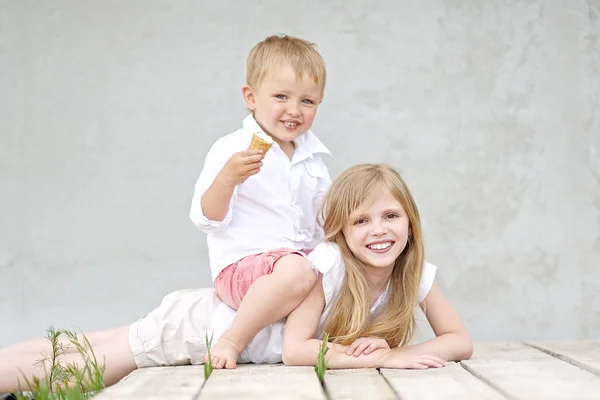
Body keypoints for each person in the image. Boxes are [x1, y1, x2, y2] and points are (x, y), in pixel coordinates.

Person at [0, 164, 472, 393]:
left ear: (410, 220)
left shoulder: (415, 277)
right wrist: (373, 356)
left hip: (204, 315)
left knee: (79, 346)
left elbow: (459, 340)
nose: (379, 230)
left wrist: (403, 352)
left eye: (390, 215)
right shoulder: (328, 267)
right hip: (199, 329)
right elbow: (295, 348)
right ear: (342, 233)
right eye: (361, 221)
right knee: (81, 367)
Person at [189, 34, 331, 369]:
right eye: (281, 96)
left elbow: (326, 224)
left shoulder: (315, 161)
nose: (294, 110)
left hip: (296, 268)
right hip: (242, 269)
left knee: (333, 271)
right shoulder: (232, 149)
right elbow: (205, 218)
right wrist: (227, 179)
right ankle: (231, 340)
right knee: (298, 269)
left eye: (307, 101)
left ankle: (299, 347)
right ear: (250, 97)